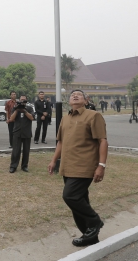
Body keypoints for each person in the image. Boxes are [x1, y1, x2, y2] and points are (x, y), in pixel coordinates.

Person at [48, 90, 108, 247]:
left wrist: (101, 166)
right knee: (80, 202)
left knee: (70, 196)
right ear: (69, 100)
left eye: (79, 95)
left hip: (84, 166)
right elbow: (60, 142)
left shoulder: (93, 116)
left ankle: (95, 222)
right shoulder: (65, 118)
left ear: (86, 100)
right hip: (67, 166)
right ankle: (89, 236)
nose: (75, 96)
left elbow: (102, 141)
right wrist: (54, 160)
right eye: (72, 94)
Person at [9, 95, 34, 173]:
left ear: (26, 101)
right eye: (21, 100)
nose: (22, 101)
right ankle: (13, 166)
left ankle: (24, 166)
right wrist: (17, 110)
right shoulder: (15, 108)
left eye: (24, 100)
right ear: (19, 100)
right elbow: (11, 119)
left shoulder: (29, 108)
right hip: (17, 132)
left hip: (27, 132)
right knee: (16, 151)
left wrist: (24, 111)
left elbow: (32, 118)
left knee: (26, 151)